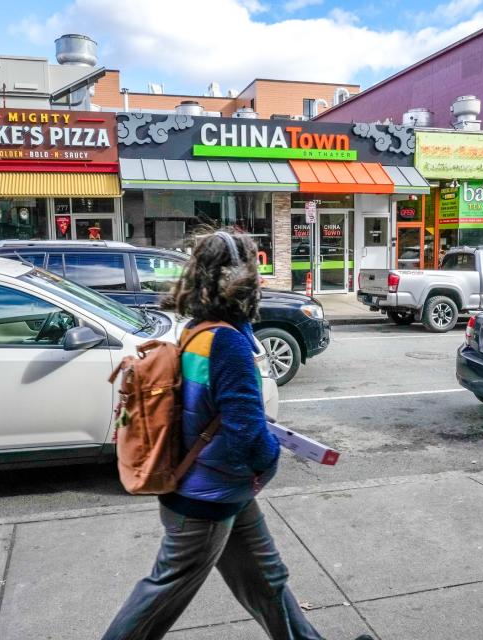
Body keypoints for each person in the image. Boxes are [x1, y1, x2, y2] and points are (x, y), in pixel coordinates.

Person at [101, 231, 373, 640]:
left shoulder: (197, 330)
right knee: (162, 592)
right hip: (205, 500)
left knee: (267, 582)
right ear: (243, 279)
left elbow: (207, 413)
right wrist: (268, 462)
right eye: (255, 269)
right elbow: (245, 433)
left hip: (215, 489)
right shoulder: (227, 342)